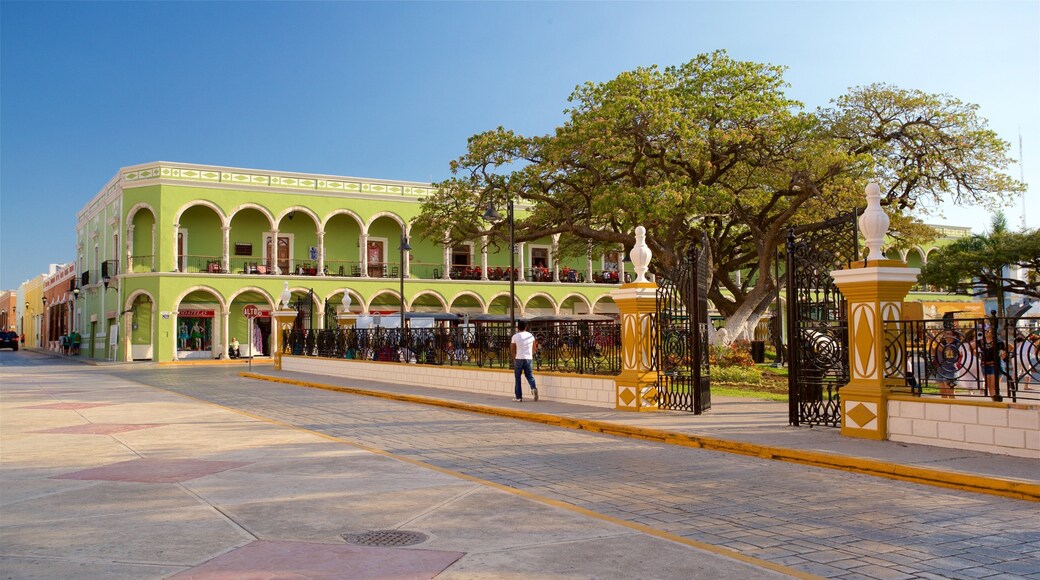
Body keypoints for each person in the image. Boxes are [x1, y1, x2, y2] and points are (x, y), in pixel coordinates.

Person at [509, 320, 538, 402]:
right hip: (529, 358)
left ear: (518, 328)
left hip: (519, 358)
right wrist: (531, 355)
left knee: (517, 378)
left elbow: (512, 349)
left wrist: (514, 357)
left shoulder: (515, 336)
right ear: (526, 327)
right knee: (529, 375)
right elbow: (534, 348)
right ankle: (533, 388)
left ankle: (519, 397)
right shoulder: (531, 336)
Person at [979, 327, 1007, 399]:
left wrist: (1002, 356)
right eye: (985, 331)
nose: (986, 332)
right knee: (989, 386)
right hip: (985, 365)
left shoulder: (998, 341)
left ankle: (997, 399)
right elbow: (971, 347)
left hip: (995, 365)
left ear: (993, 333)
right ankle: (994, 400)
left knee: (994, 386)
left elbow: (1010, 347)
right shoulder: (981, 341)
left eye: (988, 331)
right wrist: (977, 354)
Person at [933, 328, 961, 399]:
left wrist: (935, 340)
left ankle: (954, 409)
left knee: (950, 394)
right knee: (943, 394)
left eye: (948, 334)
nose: (945, 335)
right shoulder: (942, 343)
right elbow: (933, 353)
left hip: (950, 371)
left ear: (954, 336)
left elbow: (948, 352)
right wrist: (931, 342)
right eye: (945, 333)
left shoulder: (956, 344)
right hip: (940, 370)